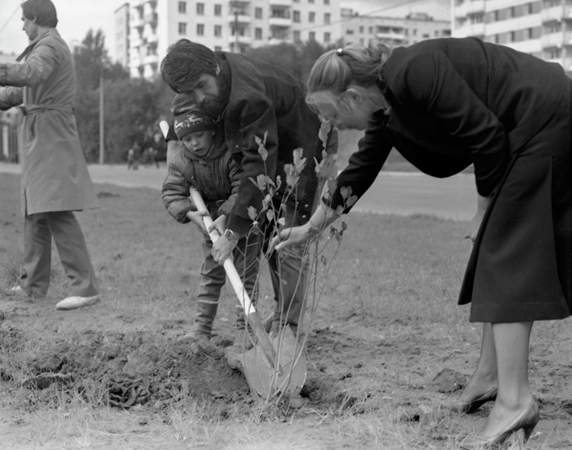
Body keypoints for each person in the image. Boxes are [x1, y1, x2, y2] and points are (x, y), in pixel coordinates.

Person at [272, 37, 572, 447]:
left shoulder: (416, 70)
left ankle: (515, 400)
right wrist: (312, 227)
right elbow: (360, 170)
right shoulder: (388, 106)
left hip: (545, 116)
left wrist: (483, 211)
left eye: (332, 114)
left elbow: (485, 136)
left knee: (507, 252)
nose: (334, 125)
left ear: (354, 95)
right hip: (530, 124)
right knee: (496, 251)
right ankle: (489, 379)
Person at [160, 39, 335, 338]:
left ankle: (288, 328)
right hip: (273, 151)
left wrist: (232, 232)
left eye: (202, 86)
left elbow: (259, 163)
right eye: (190, 93)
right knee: (268, 234)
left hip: (306, 144)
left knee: (288, 239)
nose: (200, 98)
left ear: (214, 68)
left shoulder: (247, 96)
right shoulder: (214, 83)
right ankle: (282, 317)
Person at [0, 0, 100, 310]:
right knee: (35, 210)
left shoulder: (49, 46)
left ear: (36, 19)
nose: (22, 25)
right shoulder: (43, 47)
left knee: (55, 207)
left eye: (24, 20)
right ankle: (32, 286)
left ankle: (84, 288)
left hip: (50, 133)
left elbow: (30, 74)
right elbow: (20, 89)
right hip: (40, 132)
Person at [161, 101, 258, 342]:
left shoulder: (230, 153)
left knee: (247, 273)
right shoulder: (181, 161)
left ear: (212, 130)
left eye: (199, 135)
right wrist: (189, 213)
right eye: (187, 138)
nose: (194, 143)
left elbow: (243, 189)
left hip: (243, 221)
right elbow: (171, 193)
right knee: (211, 274)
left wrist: (228, 215)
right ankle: (202, 327)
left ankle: (246, 328)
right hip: (210, 224)